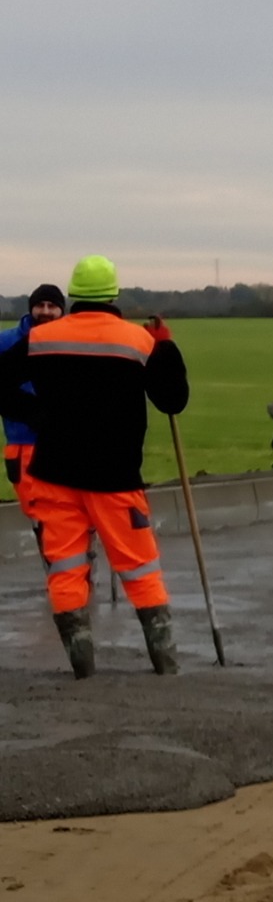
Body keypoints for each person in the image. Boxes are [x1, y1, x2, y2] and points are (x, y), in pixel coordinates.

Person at [0, 257, 189, 678]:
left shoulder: (42, 338)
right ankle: (165, 663)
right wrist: (166, 346)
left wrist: (35, 413)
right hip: (115, 475)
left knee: (66, 568)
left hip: (53, 472)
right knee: (140, 568)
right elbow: (173, 400)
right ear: (114, 295)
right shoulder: (138, 341)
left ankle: (82, 665)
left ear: (73, 296)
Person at [2, 284, 66, 494]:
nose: (45, 311)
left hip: (67, 444)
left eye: (51, 306)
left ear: (62, 310)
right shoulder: (5, 341)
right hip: (24, 444)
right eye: (40, 305)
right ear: (31, 308)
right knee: (37, 509)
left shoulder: (72, 341)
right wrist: (31, 412)